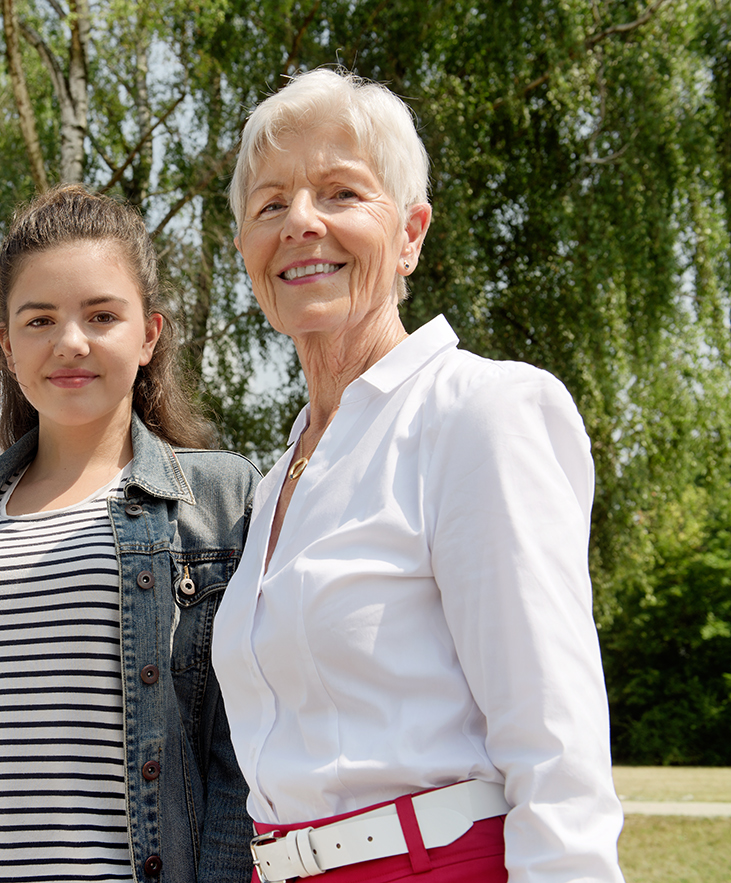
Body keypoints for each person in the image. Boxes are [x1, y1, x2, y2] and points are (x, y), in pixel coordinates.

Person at [211, 68, 625, 883]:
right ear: (245, 253)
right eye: (270, 204)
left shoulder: (478, 412)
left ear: (409, 233)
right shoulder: (278, 477)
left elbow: (555, 741)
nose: (300, 222)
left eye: (340, 193)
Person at [0, 185, 260, 883]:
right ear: (5, 344)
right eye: (39, 320)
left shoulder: (218, 500)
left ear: (149, 334)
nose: (70, 342)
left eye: (102, 315)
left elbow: (241, 762)